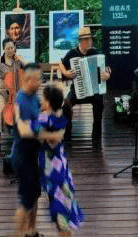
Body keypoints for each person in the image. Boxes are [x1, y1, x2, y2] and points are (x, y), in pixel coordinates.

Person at [31, 83, 84, 237]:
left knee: (61, 215)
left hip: (53, 173)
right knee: (63, 211)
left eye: (43, 98)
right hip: (61, 169)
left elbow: (30, 128)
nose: (41, 101)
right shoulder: (59, 117)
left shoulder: (44, 119)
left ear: (48, 103)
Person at [58, 26, 111, 142]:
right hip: (77, 90)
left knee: (99, 103)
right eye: (87, 39)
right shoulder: (72, 53)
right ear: (81, 41)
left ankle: (96, 136)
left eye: (90, 39)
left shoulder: (95, 53)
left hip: (93, 91)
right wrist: (66, 73)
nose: (90, 41)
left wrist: (107, 75)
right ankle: (67, 133)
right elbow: (61, 64)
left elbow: (107, 68)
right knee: (66, 105)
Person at [12, 64, 46, 237]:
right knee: (26, 201)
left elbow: (41, 114)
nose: (41, 83)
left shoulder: (34, 97)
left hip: (34, 155)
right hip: (23, 156)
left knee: (35, 195)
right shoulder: (23, 100)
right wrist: (47, 135)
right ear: (28, 79)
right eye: (38, 79)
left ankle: (31, 232)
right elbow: (25, 132)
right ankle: (19, 233)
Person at [0, 37, 26, 150]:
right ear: (4, 49)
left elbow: (31, 70)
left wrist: (23, 61)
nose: (10, 51)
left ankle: (21, 134)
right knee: (0, 108)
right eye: (7, 48)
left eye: (12, 48)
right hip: (2, 92)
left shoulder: (18, 60)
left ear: (15, 48)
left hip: (16, 92)